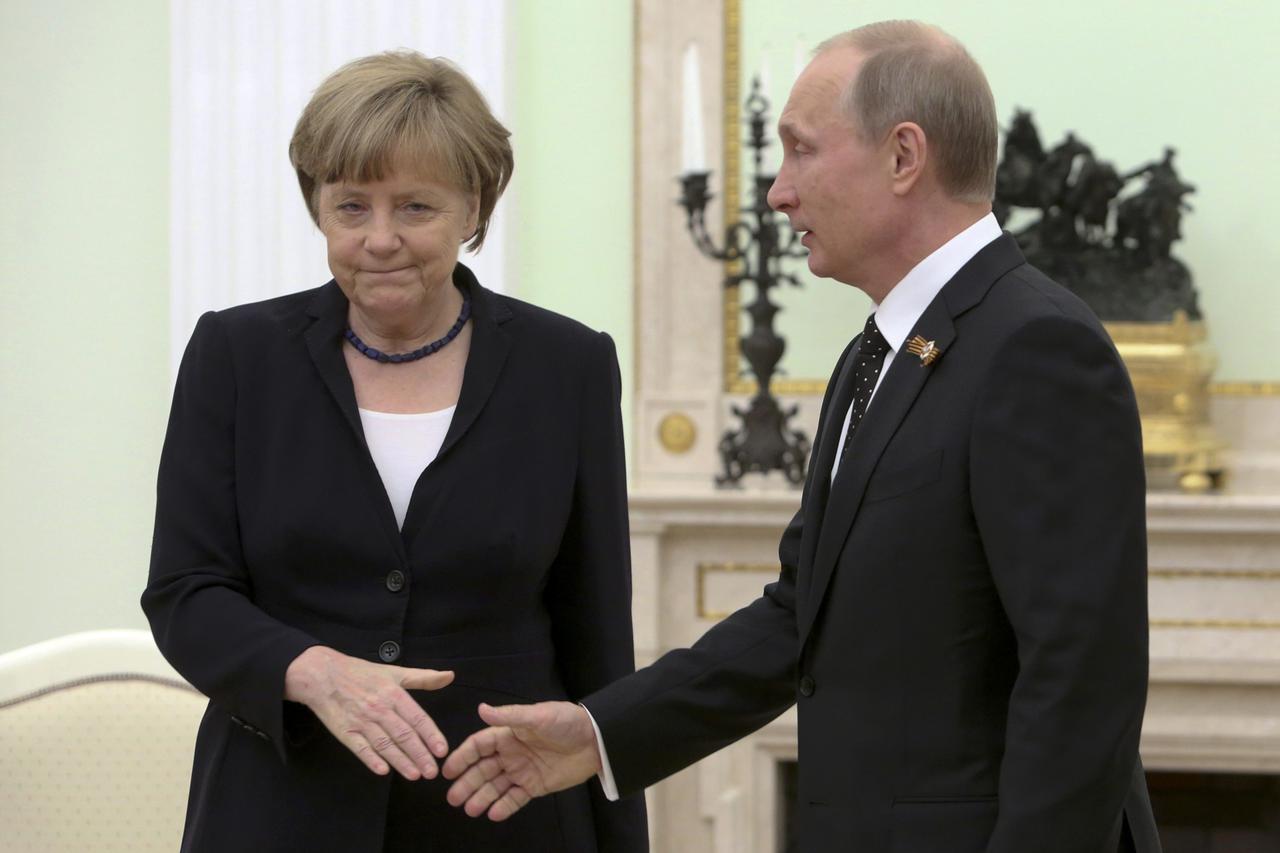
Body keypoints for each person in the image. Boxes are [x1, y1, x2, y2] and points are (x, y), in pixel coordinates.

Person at [443, 21, 1161, 853]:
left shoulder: (1035, 348)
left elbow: (1082, 680)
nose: (779, 193)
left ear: (903, 157)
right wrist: (601, 733)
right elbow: (800, 617)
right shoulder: (876, 354)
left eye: (802, 151)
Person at [142, 51, 646, 852]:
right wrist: (315, 671)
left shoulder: (569, 366)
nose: (380, 240)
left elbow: (596, 637)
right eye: (351, 207)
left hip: (503, 813)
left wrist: (619, 830)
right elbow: (184, 592)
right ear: (317, 207)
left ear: (473, 207)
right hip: (279, 806)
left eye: (415, 206)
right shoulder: (236, 355)